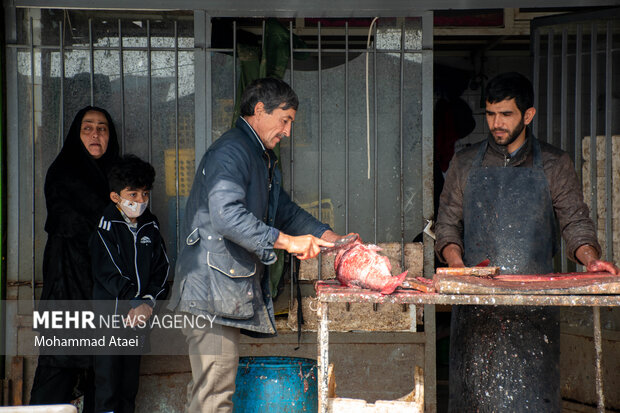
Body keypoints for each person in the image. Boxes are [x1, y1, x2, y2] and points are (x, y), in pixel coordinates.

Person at [435, 71, 619, 412]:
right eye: (490, 114)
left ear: (528, 115)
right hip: (476, 311)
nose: (496, 124)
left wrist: (592, 260)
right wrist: (458, 268)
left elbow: (575, 223)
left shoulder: (555, 164)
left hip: (533, 316)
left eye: (506, 115)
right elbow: (447, 227)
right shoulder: (464, 163)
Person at [168, 77, 347, 412]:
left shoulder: (258, 154)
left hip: (219, 292)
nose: (288, 132)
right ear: (260, 110)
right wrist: (287, 242)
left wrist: (330, 238)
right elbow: (225, 215)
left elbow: (283, 210)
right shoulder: (232, 151)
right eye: (285, 120)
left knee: (210, 391)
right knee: (214, 396)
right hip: (210, 293)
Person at [30, 106, 120, 411]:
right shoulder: (63, 173)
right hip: (67, 288)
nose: (96, 134)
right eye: (87, 128)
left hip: (104, 292)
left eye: (103, 128)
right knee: (57, 371)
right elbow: (74, 225)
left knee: (104, 379)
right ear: (75, 135)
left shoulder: (119, 177)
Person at [89, 154, 170, 413]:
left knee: (128, 386)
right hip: (110, 319)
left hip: (139, 320)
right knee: (107, 386)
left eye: (144, 194)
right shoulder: (105, 226)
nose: (140, 201)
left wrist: (148, 302)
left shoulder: (151, 226)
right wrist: (134, 301)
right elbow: (107, 271)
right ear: (116, 197)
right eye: (132, 195)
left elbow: (162, 268)